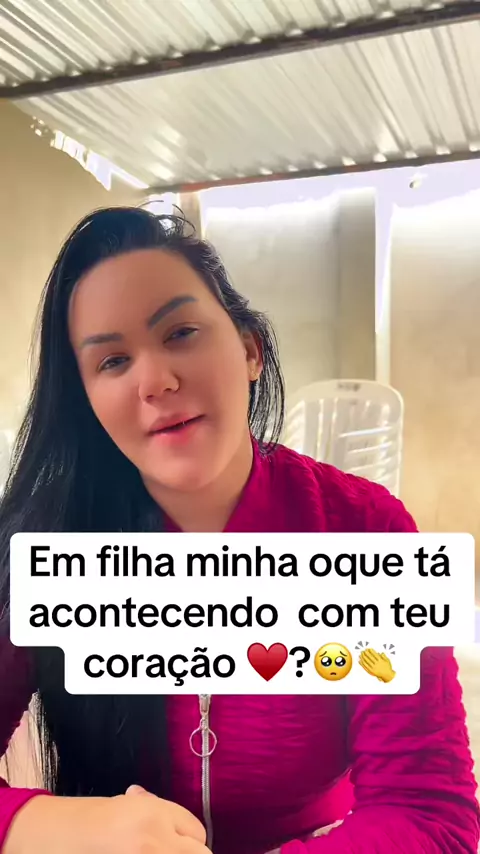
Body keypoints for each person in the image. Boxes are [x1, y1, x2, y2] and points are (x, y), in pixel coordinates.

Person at [0, 206, 478, 854]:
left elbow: (430, 813)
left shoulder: (365, 532)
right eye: (112, 361)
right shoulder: (46, 544)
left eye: (181, 332)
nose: (155, 381)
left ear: (250, 349)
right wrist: (35, 824)